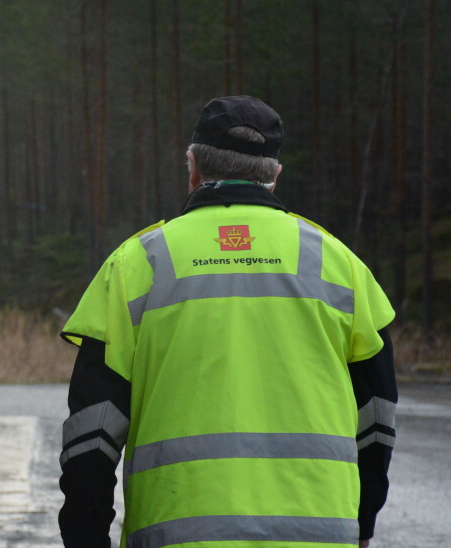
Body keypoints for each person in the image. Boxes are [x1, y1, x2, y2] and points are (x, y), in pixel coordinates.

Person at [58, 96, 397, 548]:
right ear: (275, 176)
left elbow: (90, 435)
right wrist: (362, 523)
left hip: (176, 536)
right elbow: (377, 423)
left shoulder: (137, 264)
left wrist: (86, 539)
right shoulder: (340, 266)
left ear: (193, 166)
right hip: (318, 537)